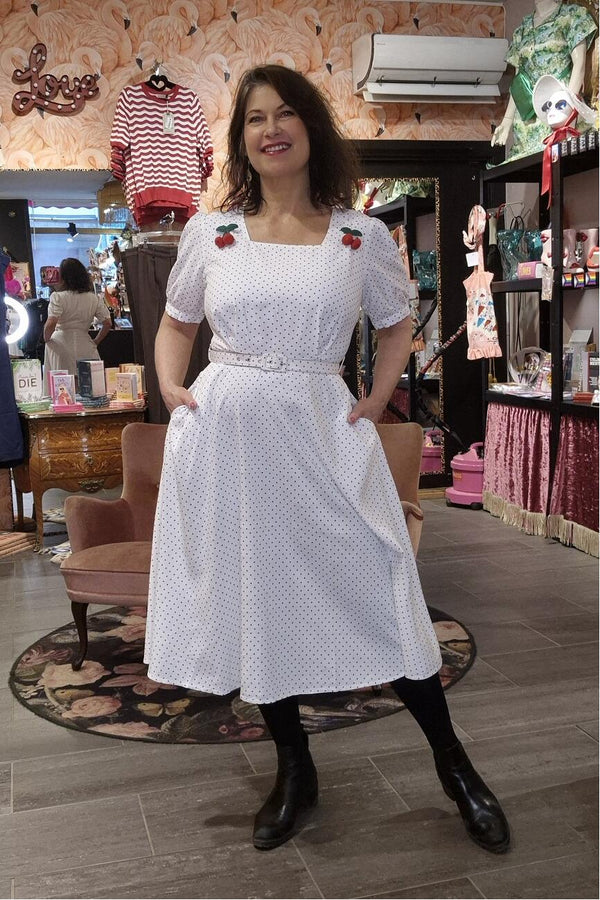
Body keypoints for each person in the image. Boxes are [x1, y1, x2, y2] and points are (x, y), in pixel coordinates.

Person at [144, 64, 510, 855]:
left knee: (382, 586)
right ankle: (294, 766)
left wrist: (376, 400)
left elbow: (396, 325)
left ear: (311, 126)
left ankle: (454, 766)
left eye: (285, 113)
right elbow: (177, 323)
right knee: (259, 597)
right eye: (254, 118)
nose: (270, 129)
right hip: (229, 439)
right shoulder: (212, 233)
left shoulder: (359, 236)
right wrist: (171, 388)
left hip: (319, 430)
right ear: (240, 138)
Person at [491, 0, 597, 161]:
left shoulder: (572, 15)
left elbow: (579, 64)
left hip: (558, 113)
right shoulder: (522, 30)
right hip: (527, 124)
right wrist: (507, 121)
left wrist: (568, 112)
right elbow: (519, 82)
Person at [42, 258, 111, 393]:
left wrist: (46, 338)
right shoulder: (93, 298)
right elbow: (107, 323)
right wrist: (96, 341)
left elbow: (51, 322)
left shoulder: (58, 297)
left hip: (59, 344)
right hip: (85, 343)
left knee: (61, 389)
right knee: (89, 388)